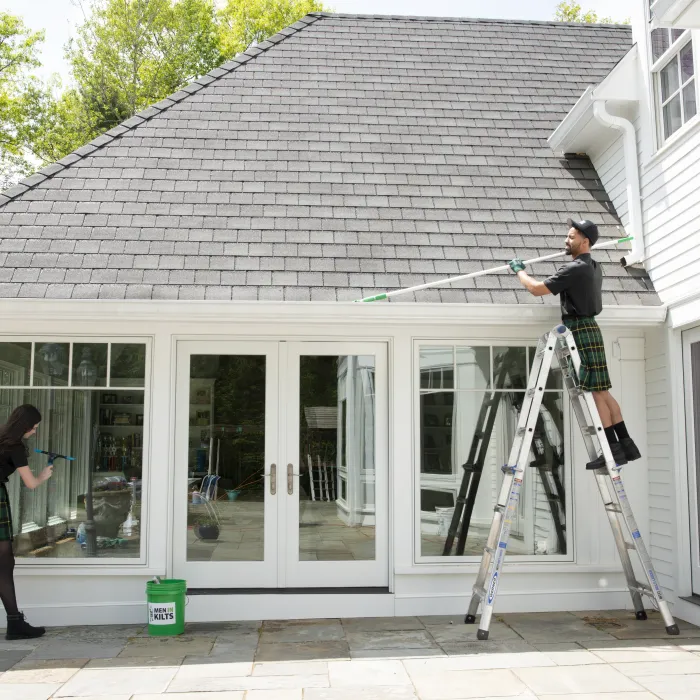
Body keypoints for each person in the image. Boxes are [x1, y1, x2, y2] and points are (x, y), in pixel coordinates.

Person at [508, 218, 642, 470]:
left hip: (580, 329)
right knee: (602, 390)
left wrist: (519, 270)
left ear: (585, 241)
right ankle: (625, 445)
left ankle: (610, 451)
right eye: (567, 236)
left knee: (594, 393)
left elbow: (537, 289)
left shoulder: (575, 268)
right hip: (590, 328)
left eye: (571, 237)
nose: (566, 241)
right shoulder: (593, 266)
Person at [0, 404, 53, 640]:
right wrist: (43, 475)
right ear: (25, 425)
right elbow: (30, 483)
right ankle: (15, 624)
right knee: (4, 563)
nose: (34, 431)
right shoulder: (15, 447)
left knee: (4, 562)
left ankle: (15, 622)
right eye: (34, 427)